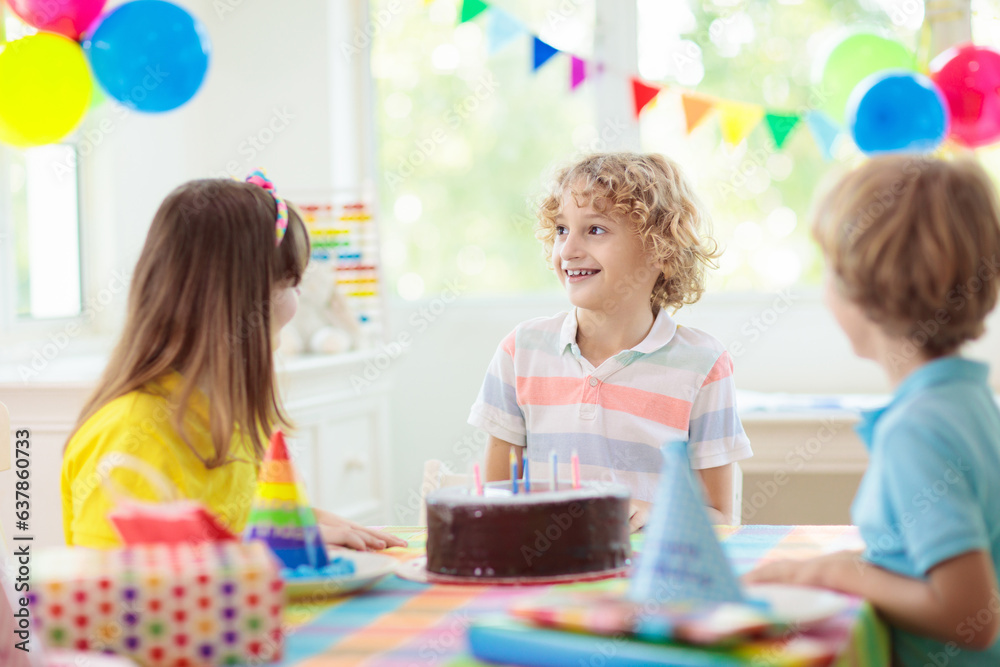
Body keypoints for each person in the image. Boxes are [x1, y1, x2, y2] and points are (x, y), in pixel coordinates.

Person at [61, 173, 405, 552]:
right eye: (291, 282)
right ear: (240, 301)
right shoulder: (131, 434)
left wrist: (299, 521)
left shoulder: (225, 417)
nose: (299, 300)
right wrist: (273, 546)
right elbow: (115, 593)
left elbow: (227, 528)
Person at [746, 155, 1000, 664]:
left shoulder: (916, 430)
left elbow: (970, 615)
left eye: (832, 271)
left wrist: (839, 573)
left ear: (868, 287)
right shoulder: (969, 399)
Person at [469, 152, 752, 528]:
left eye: (595, 230)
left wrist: (654, 513)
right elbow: (496, 502)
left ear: (660, 250)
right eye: (561, 230)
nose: (567, 250)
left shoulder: (703, 364)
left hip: (648, 577)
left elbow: (720, 517)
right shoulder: (521, 352)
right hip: (548, 570)